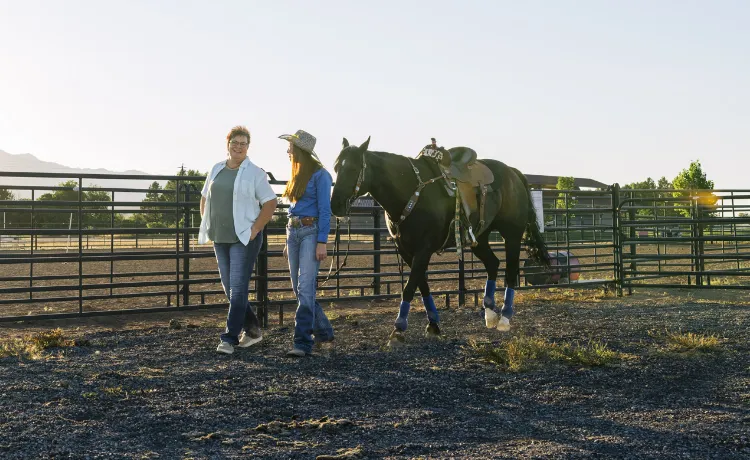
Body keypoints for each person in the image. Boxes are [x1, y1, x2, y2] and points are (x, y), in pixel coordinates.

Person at [198, 125, 278, 355]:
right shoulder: (216, 169)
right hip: (220, 237)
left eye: (243, 143)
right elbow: (205, 198)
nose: (239, 147)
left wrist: (255, 230)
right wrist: (207, 221)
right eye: (235, 142)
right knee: (229, 288)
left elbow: (270, 202)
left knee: (238, 288)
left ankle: (229, 338)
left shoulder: (255, 172)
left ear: (248, 147)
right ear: (228, 144)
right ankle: (253, 331)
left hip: (244, 238)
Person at [279, 129, 334, 357]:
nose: (288, 150)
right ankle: (324, 332)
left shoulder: (321, 175)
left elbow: (325, 210)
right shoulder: (298, 173)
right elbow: (294, 209)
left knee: (304, 287)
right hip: (294, 232)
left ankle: (302, 342)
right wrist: (288, 240)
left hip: (311, 232)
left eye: (291, 147)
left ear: (300, 150)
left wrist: (322, 241)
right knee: (300, 288)